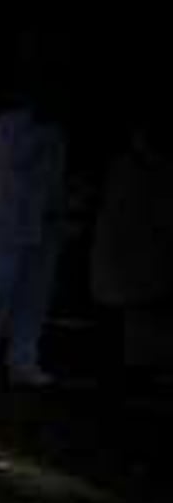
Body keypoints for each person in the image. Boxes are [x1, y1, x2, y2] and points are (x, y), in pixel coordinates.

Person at [0, 99, 66, 386]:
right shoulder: (7, 126)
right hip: (7, 227)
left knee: (34, 299)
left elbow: (51, 180)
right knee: (2, 293)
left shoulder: (55, 133)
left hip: (43, 226)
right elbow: (13, 162)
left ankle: (22, 362)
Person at [91, 121, 173, 388]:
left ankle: (135, 369)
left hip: (136, 258)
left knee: (138, 316)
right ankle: (133, 371)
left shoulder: (143, 170)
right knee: (135, 315)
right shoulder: (136, 170)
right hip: (133, 258)